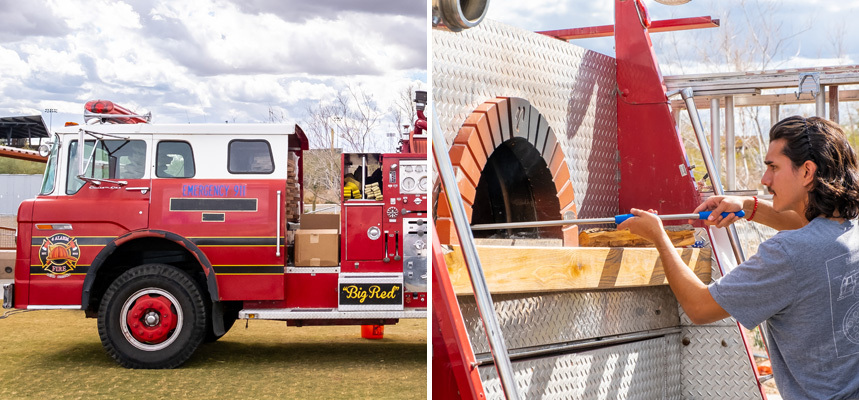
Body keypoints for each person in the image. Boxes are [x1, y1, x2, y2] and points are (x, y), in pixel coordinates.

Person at [618, 116, 859, 399]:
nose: (764, 179)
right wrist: (748, 206)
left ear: (807, 172)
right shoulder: (850, 228)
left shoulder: (787, 253)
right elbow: (810, 232)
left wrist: (658, 237)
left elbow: (699, 307)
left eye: (773, 167)